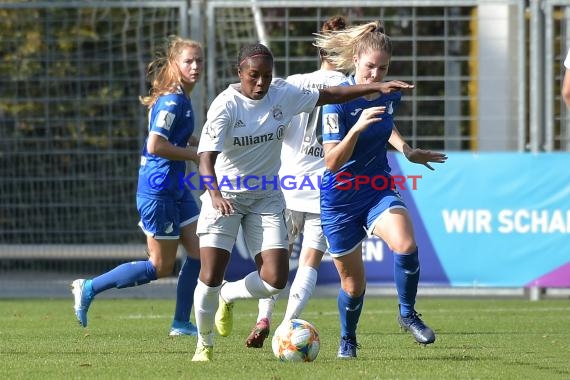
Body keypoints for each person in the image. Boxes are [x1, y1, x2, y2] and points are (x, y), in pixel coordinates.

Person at [191, 42, 414, 362]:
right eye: (253, 75)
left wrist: (376, 86)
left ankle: (230, 293)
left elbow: (333, 95)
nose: (260, 83)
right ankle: (205, 342)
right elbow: (205, 159)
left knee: (274, 280)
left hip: (267, 197)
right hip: (225, 196)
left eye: (266, 76)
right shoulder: (225, 106)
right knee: (210, 275)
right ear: (239, 72)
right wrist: (214, 194)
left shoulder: (282, 94)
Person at [314, 21, 448, 358]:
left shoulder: (391, 92)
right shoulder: (336, 103)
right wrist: (356, 128)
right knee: (353, 286)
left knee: (405, 243)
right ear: (356, 59)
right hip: (339, 199)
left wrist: (407, 150)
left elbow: (386, 124)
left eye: (383, 68)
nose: (376, 74)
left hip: (376, 187)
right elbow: (331, 162)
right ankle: (348, 339)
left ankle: (407, 313)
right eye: (370, 66)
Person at [71, 36, 204, 337]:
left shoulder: (181, 97)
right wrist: (193, 155)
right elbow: (156, 145)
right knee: (159, 267)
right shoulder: (172, 100)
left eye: (199, 61)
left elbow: (177, 139)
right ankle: (89, 287)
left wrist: (202, 145)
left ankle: (181, 323)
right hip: (157, 191)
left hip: (176, 187)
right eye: (188, 61)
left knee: (199, 253)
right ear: (175, 64)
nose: (195, 66)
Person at [241, 15, 350, 349]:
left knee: (275, 259)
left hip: (286, 186)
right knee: (309, 261)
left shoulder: (295, 82)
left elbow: (275, 125)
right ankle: (287, 327)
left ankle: (264, 317)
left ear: (320, 48)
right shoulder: (348, 88)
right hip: (324, 190)